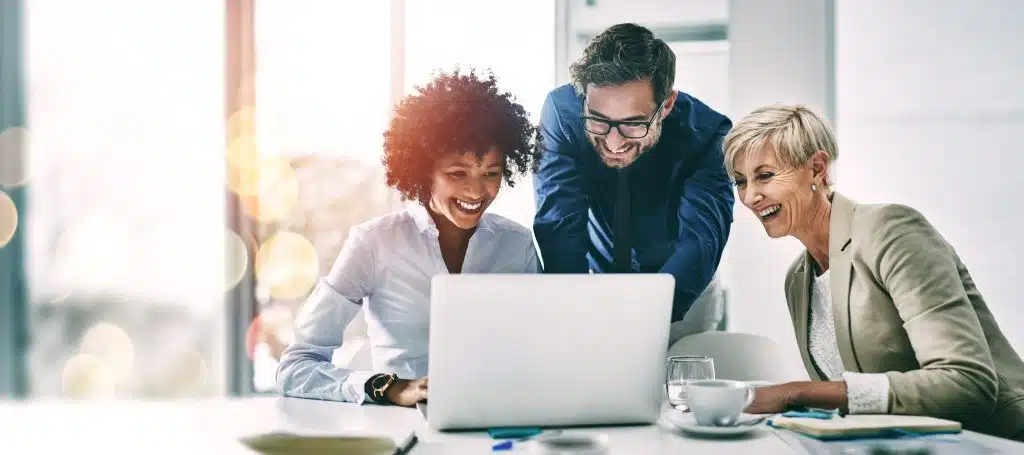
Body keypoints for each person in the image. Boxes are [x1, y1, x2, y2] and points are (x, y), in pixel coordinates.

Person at [725, 103, 1024, 441]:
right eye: (740, 181)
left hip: (995, 442)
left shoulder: (890, 230)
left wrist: (795, 393)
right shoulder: (798, 279)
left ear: (817, 168)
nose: (750, 196)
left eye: (764, 175)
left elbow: (967, 383)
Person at [276, 69, 542, 407]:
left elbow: (538, 349)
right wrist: (390, 387)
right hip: (401, 427)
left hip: (496, 420)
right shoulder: (374, 243)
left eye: (491, 173)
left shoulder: (516, 244)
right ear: (423, 169)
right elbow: (295, 367)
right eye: (457, 173)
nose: (476, 190)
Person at [532, 23, 734, 327]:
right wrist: (571, 309)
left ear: (666, 105)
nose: (614, 143)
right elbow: (559, 223)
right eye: (598, 121)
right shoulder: (562, 113)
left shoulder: (709, 136)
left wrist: (644, 320)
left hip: (684, 292)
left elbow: (699, 242)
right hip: (594, 281)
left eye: (633, 124)